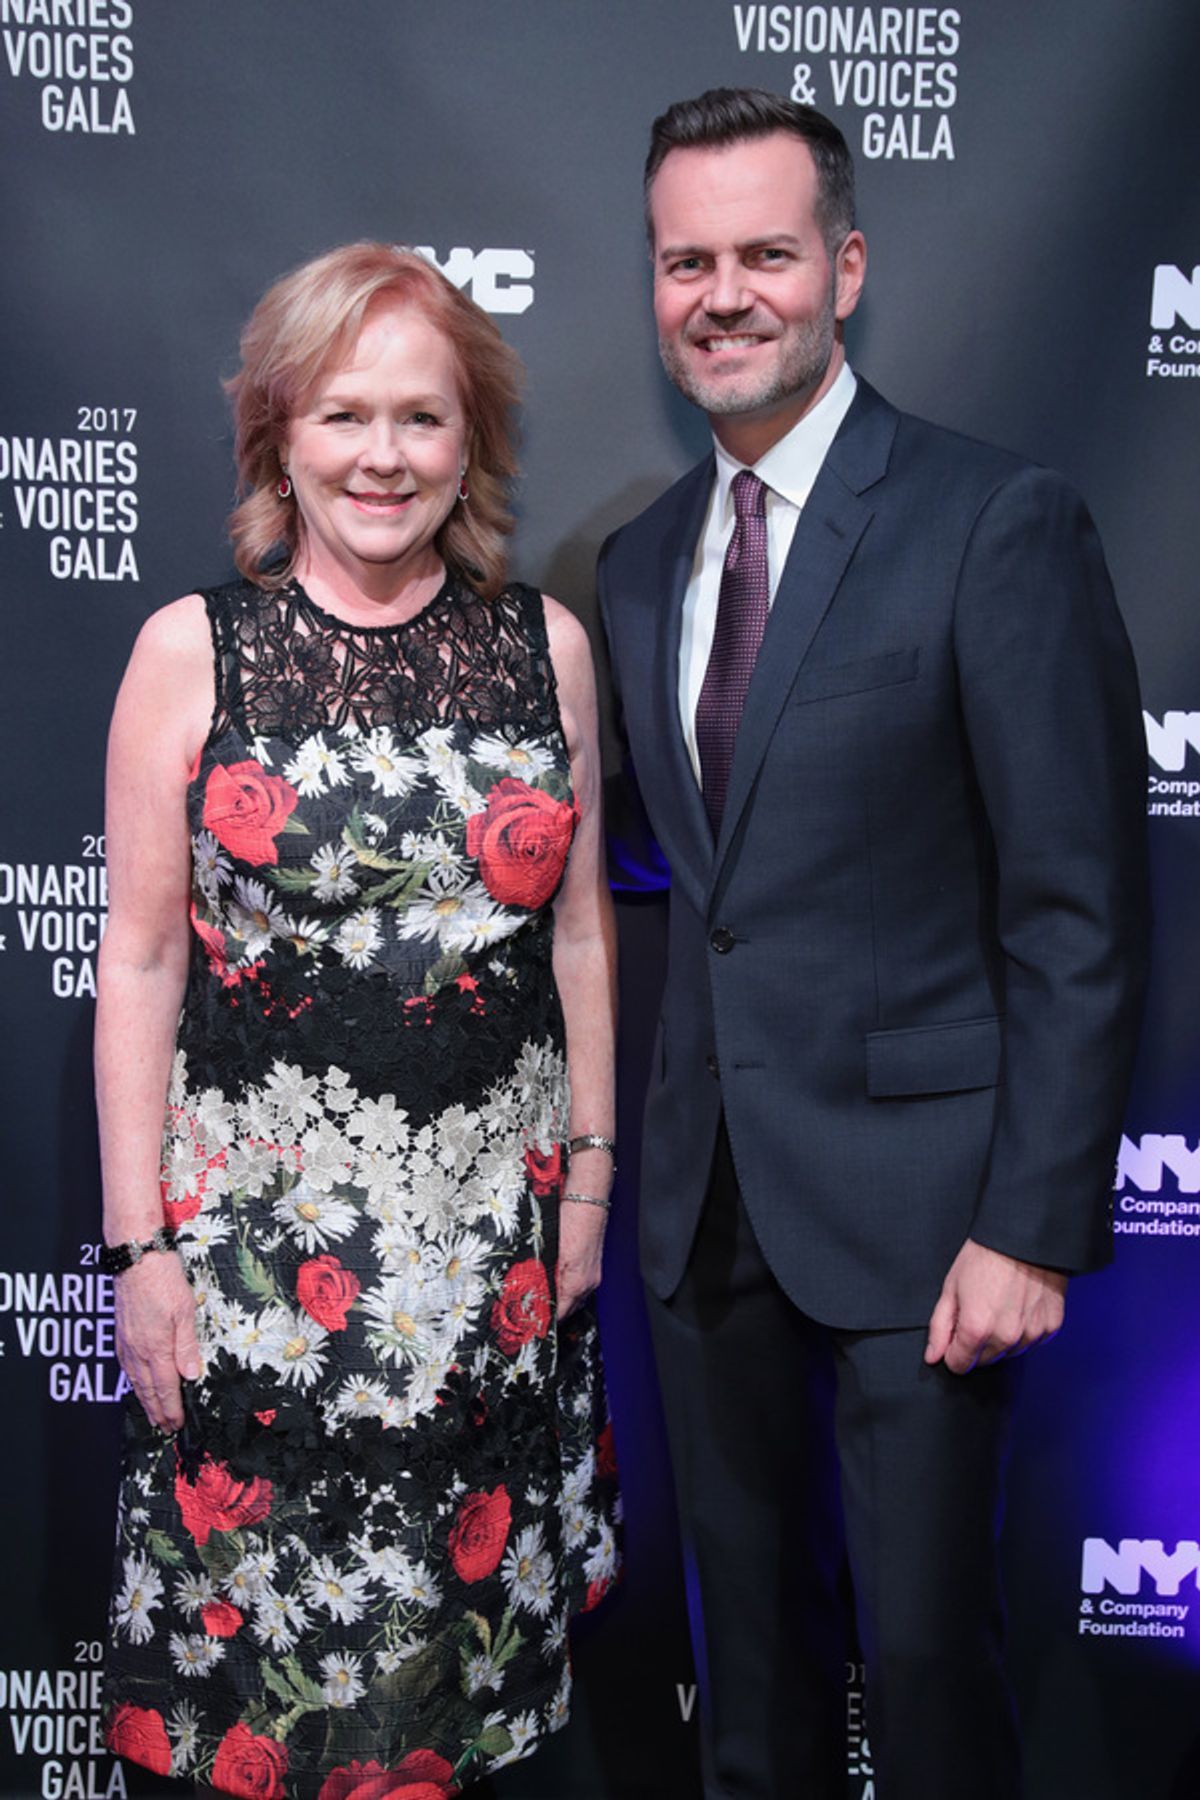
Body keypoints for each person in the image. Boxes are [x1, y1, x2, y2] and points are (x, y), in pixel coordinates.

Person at [598, 88, 1149, 1800]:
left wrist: (1032, 1225)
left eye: (765, 253)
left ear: (846, 266)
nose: (723, 293)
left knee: (928, 1682)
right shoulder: (634, 568)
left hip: (931, 1226)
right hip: (706, 1217)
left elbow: (1077, 903)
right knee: (745, 1685)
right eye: (687, 261)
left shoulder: (997, 520)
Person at [96, 241, 619, 1799]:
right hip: (268, 1283)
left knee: (456, 1722)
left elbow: (582, 931)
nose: (383, 457)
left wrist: (587, 1181)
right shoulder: (192, 655)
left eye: (420, 418)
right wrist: (142, 1251)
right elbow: (135, 967)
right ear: (277, 436)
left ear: (470, 442)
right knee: (269, 1705)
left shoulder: (550, 652)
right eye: (342, 417)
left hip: (483, 1279)